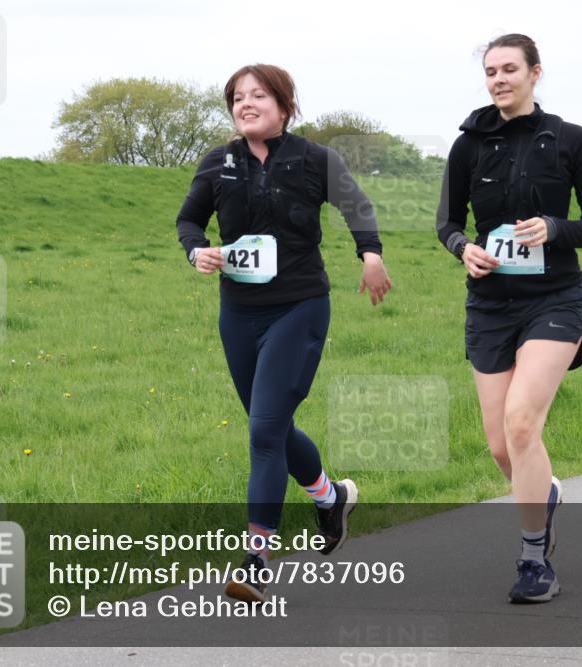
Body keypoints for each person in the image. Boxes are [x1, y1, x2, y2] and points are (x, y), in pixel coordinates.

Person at [176, 63, 392, 603]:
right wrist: (195, 251)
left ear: (284, 105)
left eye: (258, 95)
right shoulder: (217, 163)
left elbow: (356, 206)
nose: (246, 104)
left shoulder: (316, 158)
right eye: (237, 97)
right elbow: (188, 221)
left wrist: (370, 254)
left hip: (299, 307)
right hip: (239, 314)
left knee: (264, 431)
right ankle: (330, 496)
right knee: (268, 426)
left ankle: (255, 559)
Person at [436, 34, 582, 602]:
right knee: (499, 447)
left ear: (535, 73)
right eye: (490, 71)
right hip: (489, 304)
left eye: (509, 69)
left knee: (521, 424)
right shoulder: (467, 146)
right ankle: (544, 496)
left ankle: (534, 560)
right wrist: (464, 247)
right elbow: (446, 221)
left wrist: (555, 229)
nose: (498, 79)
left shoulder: (570, 140)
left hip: (554, 299)